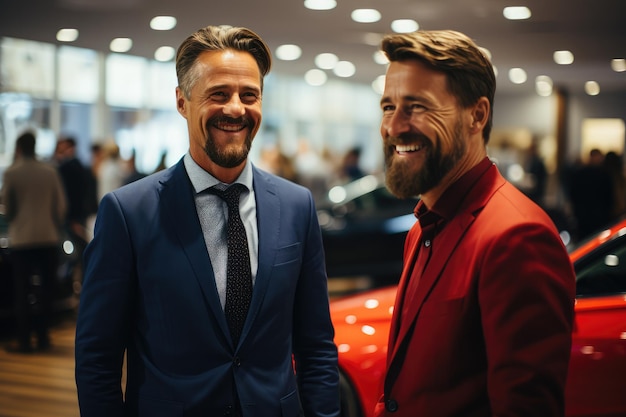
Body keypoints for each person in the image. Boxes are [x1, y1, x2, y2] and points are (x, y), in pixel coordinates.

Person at [74, 25, 339, 417]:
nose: (236, 108)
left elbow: (316, 345)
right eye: (218, 94)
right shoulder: (129, 212)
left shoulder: (296, 206)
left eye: (249, 95)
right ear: (182, 102)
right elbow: (98, 356)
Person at [374, 30, 576, 416]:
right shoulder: (421, 229)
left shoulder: (518, 236)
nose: (394, 126)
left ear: (477, 115)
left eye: (416, 106)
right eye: (388, 107)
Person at [2, 131, 67, 353]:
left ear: (19, 148)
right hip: (47, 236)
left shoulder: (12, 173)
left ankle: (23, 340)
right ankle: (43, 337)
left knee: (22, 290)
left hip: (22, 238)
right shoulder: (49, 171)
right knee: (46, 290)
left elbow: (7, 208)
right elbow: (61, 206)